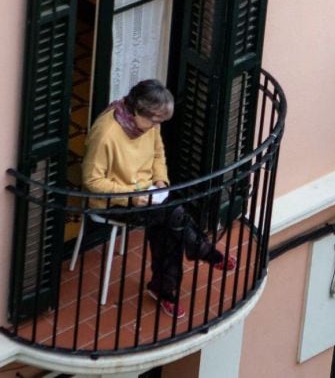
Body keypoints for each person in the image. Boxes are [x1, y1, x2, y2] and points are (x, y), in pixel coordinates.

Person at [83, 80, 235, 319]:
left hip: (149, 193)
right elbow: (92, 182)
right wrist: (131, 198)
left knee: (170, 222)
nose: (157, 126)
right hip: (116, 201)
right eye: (154, 120)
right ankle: (196, 255)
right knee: (172, 216)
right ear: (137, 110)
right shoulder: (106, 134)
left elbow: (157, 153)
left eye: (160, 122)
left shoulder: (149, 124)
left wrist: (161, 180)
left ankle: (167, 288)